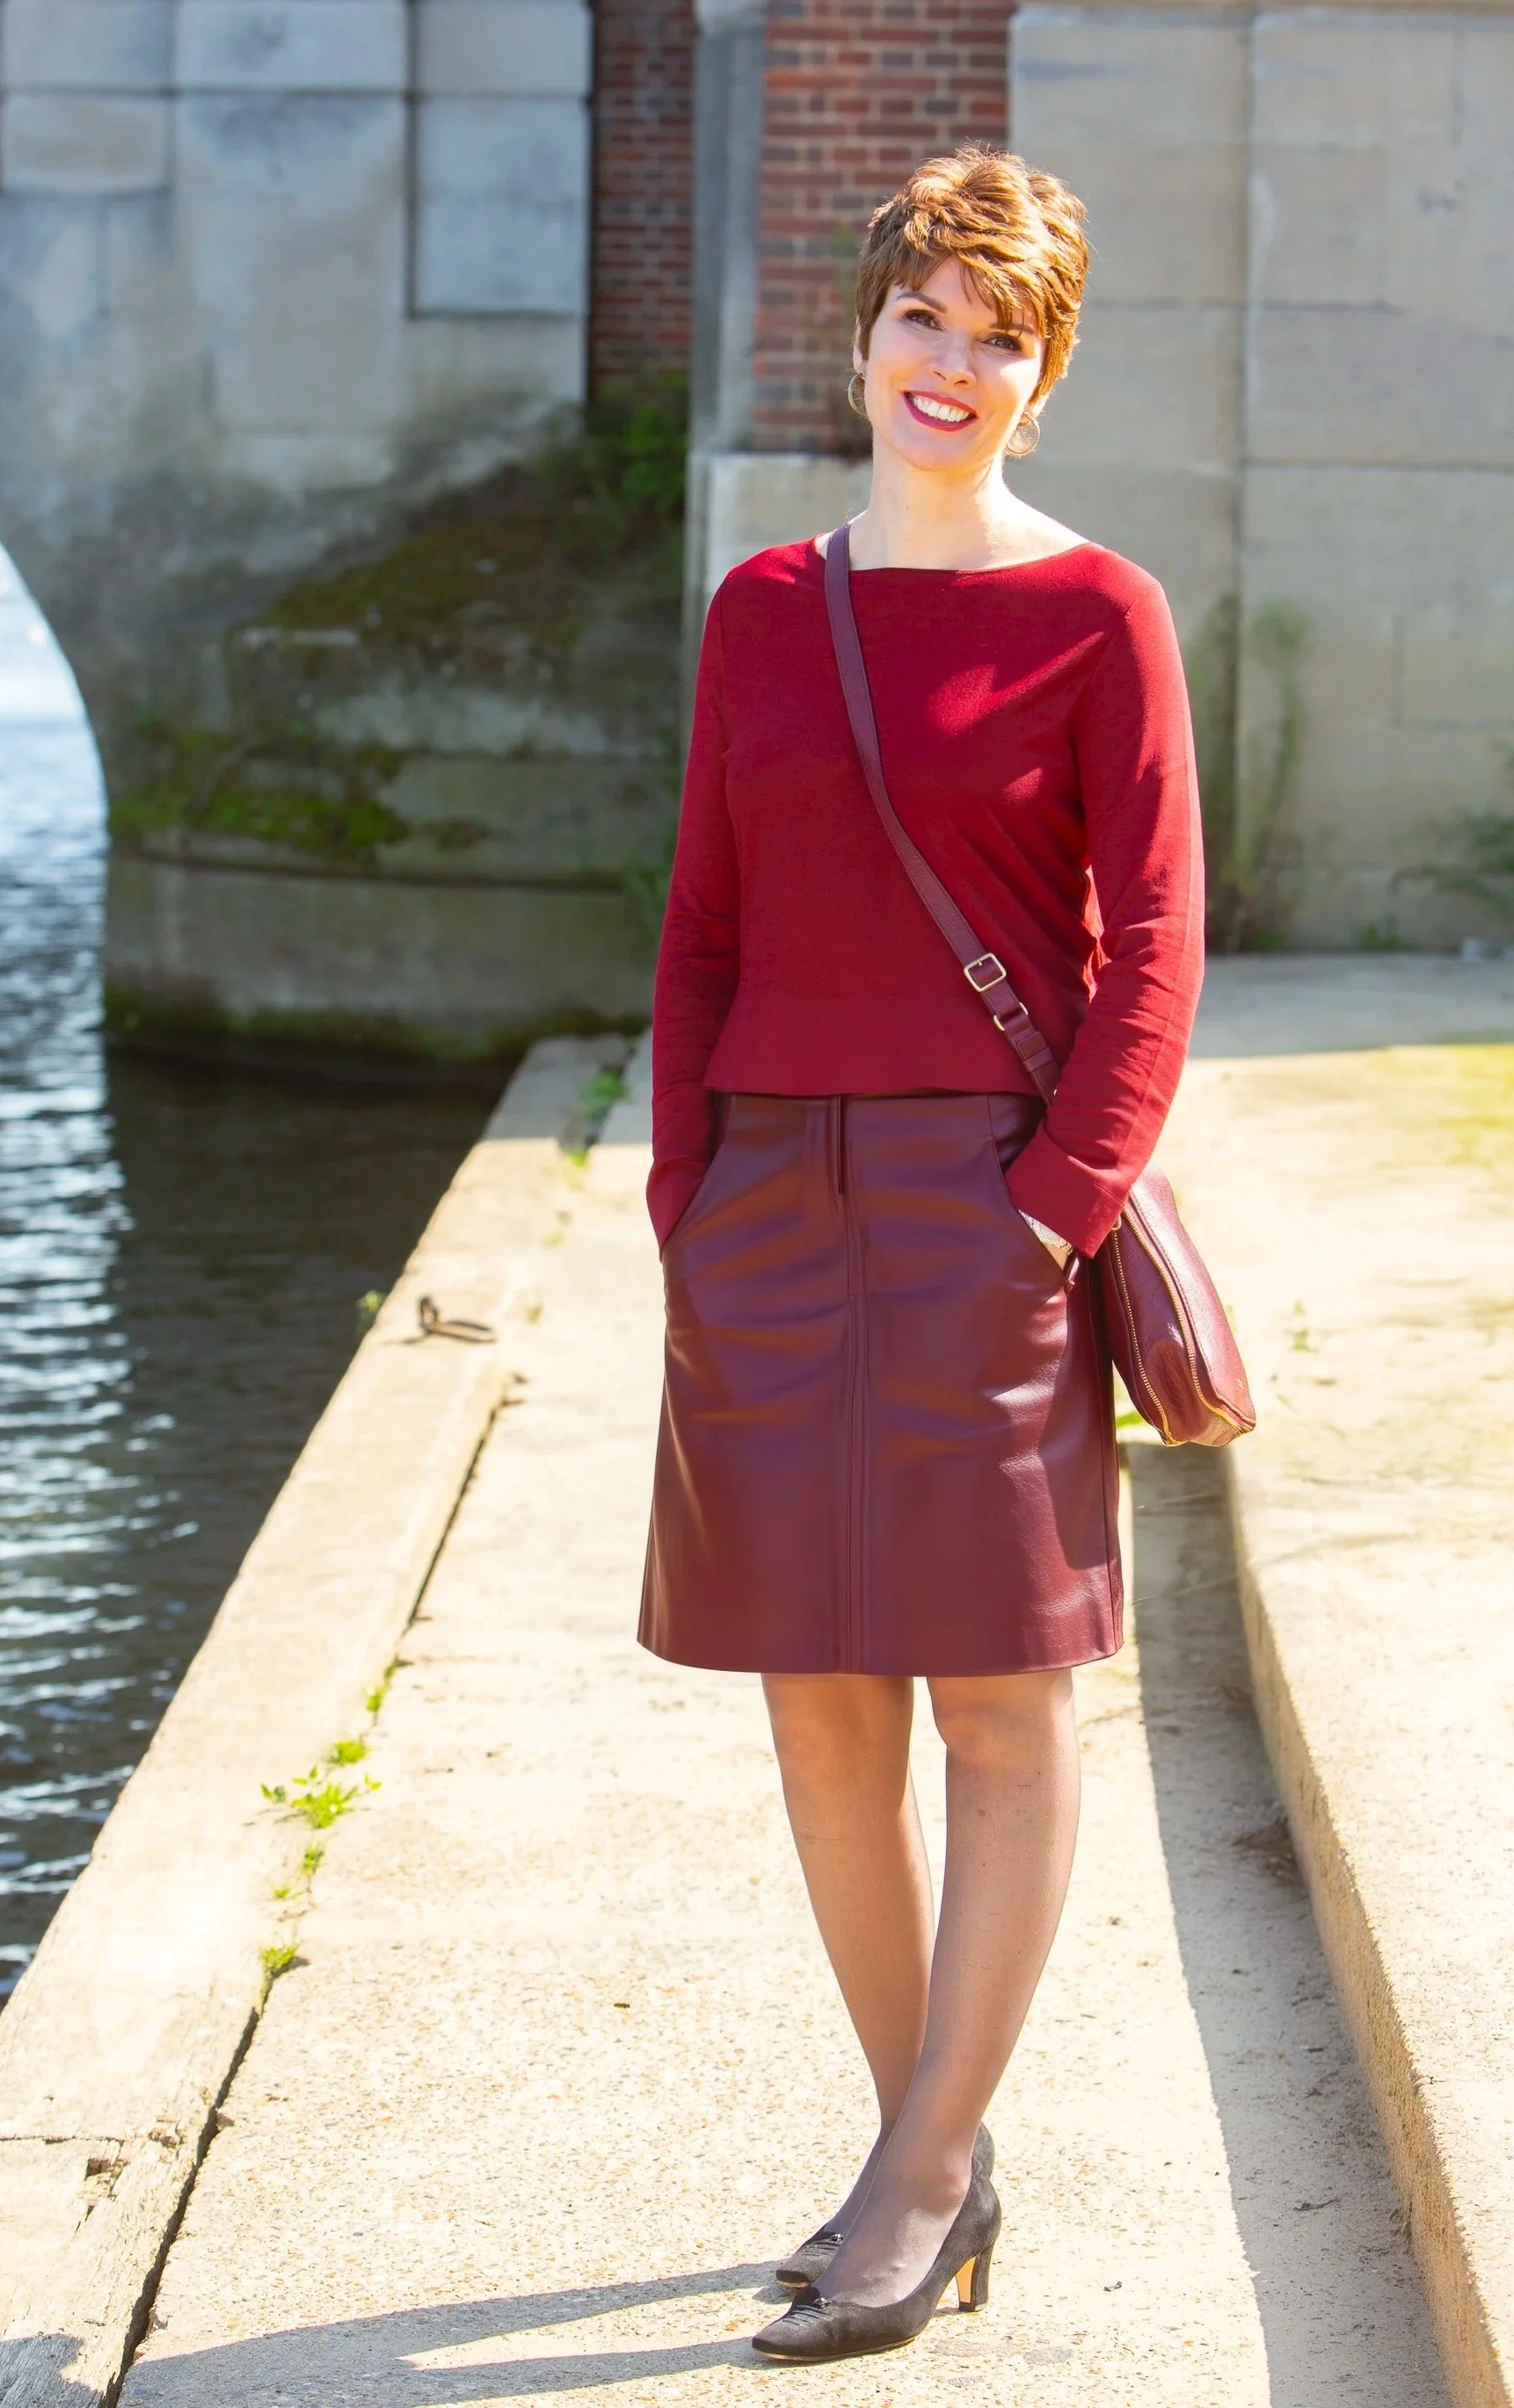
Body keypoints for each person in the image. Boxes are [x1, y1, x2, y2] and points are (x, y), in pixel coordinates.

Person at [640, 146, 1203, 2362]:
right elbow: (701, 924)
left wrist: (1055, 1204)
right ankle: (930, 2150)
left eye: (998, 336)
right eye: (923, 320)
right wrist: (687, 1198)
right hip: (768, 1203)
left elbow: (1157, 948)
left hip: (989, 1200)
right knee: (816, 1704)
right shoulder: (763, 609)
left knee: (997, 1694)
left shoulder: (1100, 614)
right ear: (864, 336)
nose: (950, 365)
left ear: (1042, 376)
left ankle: (917, 2168)